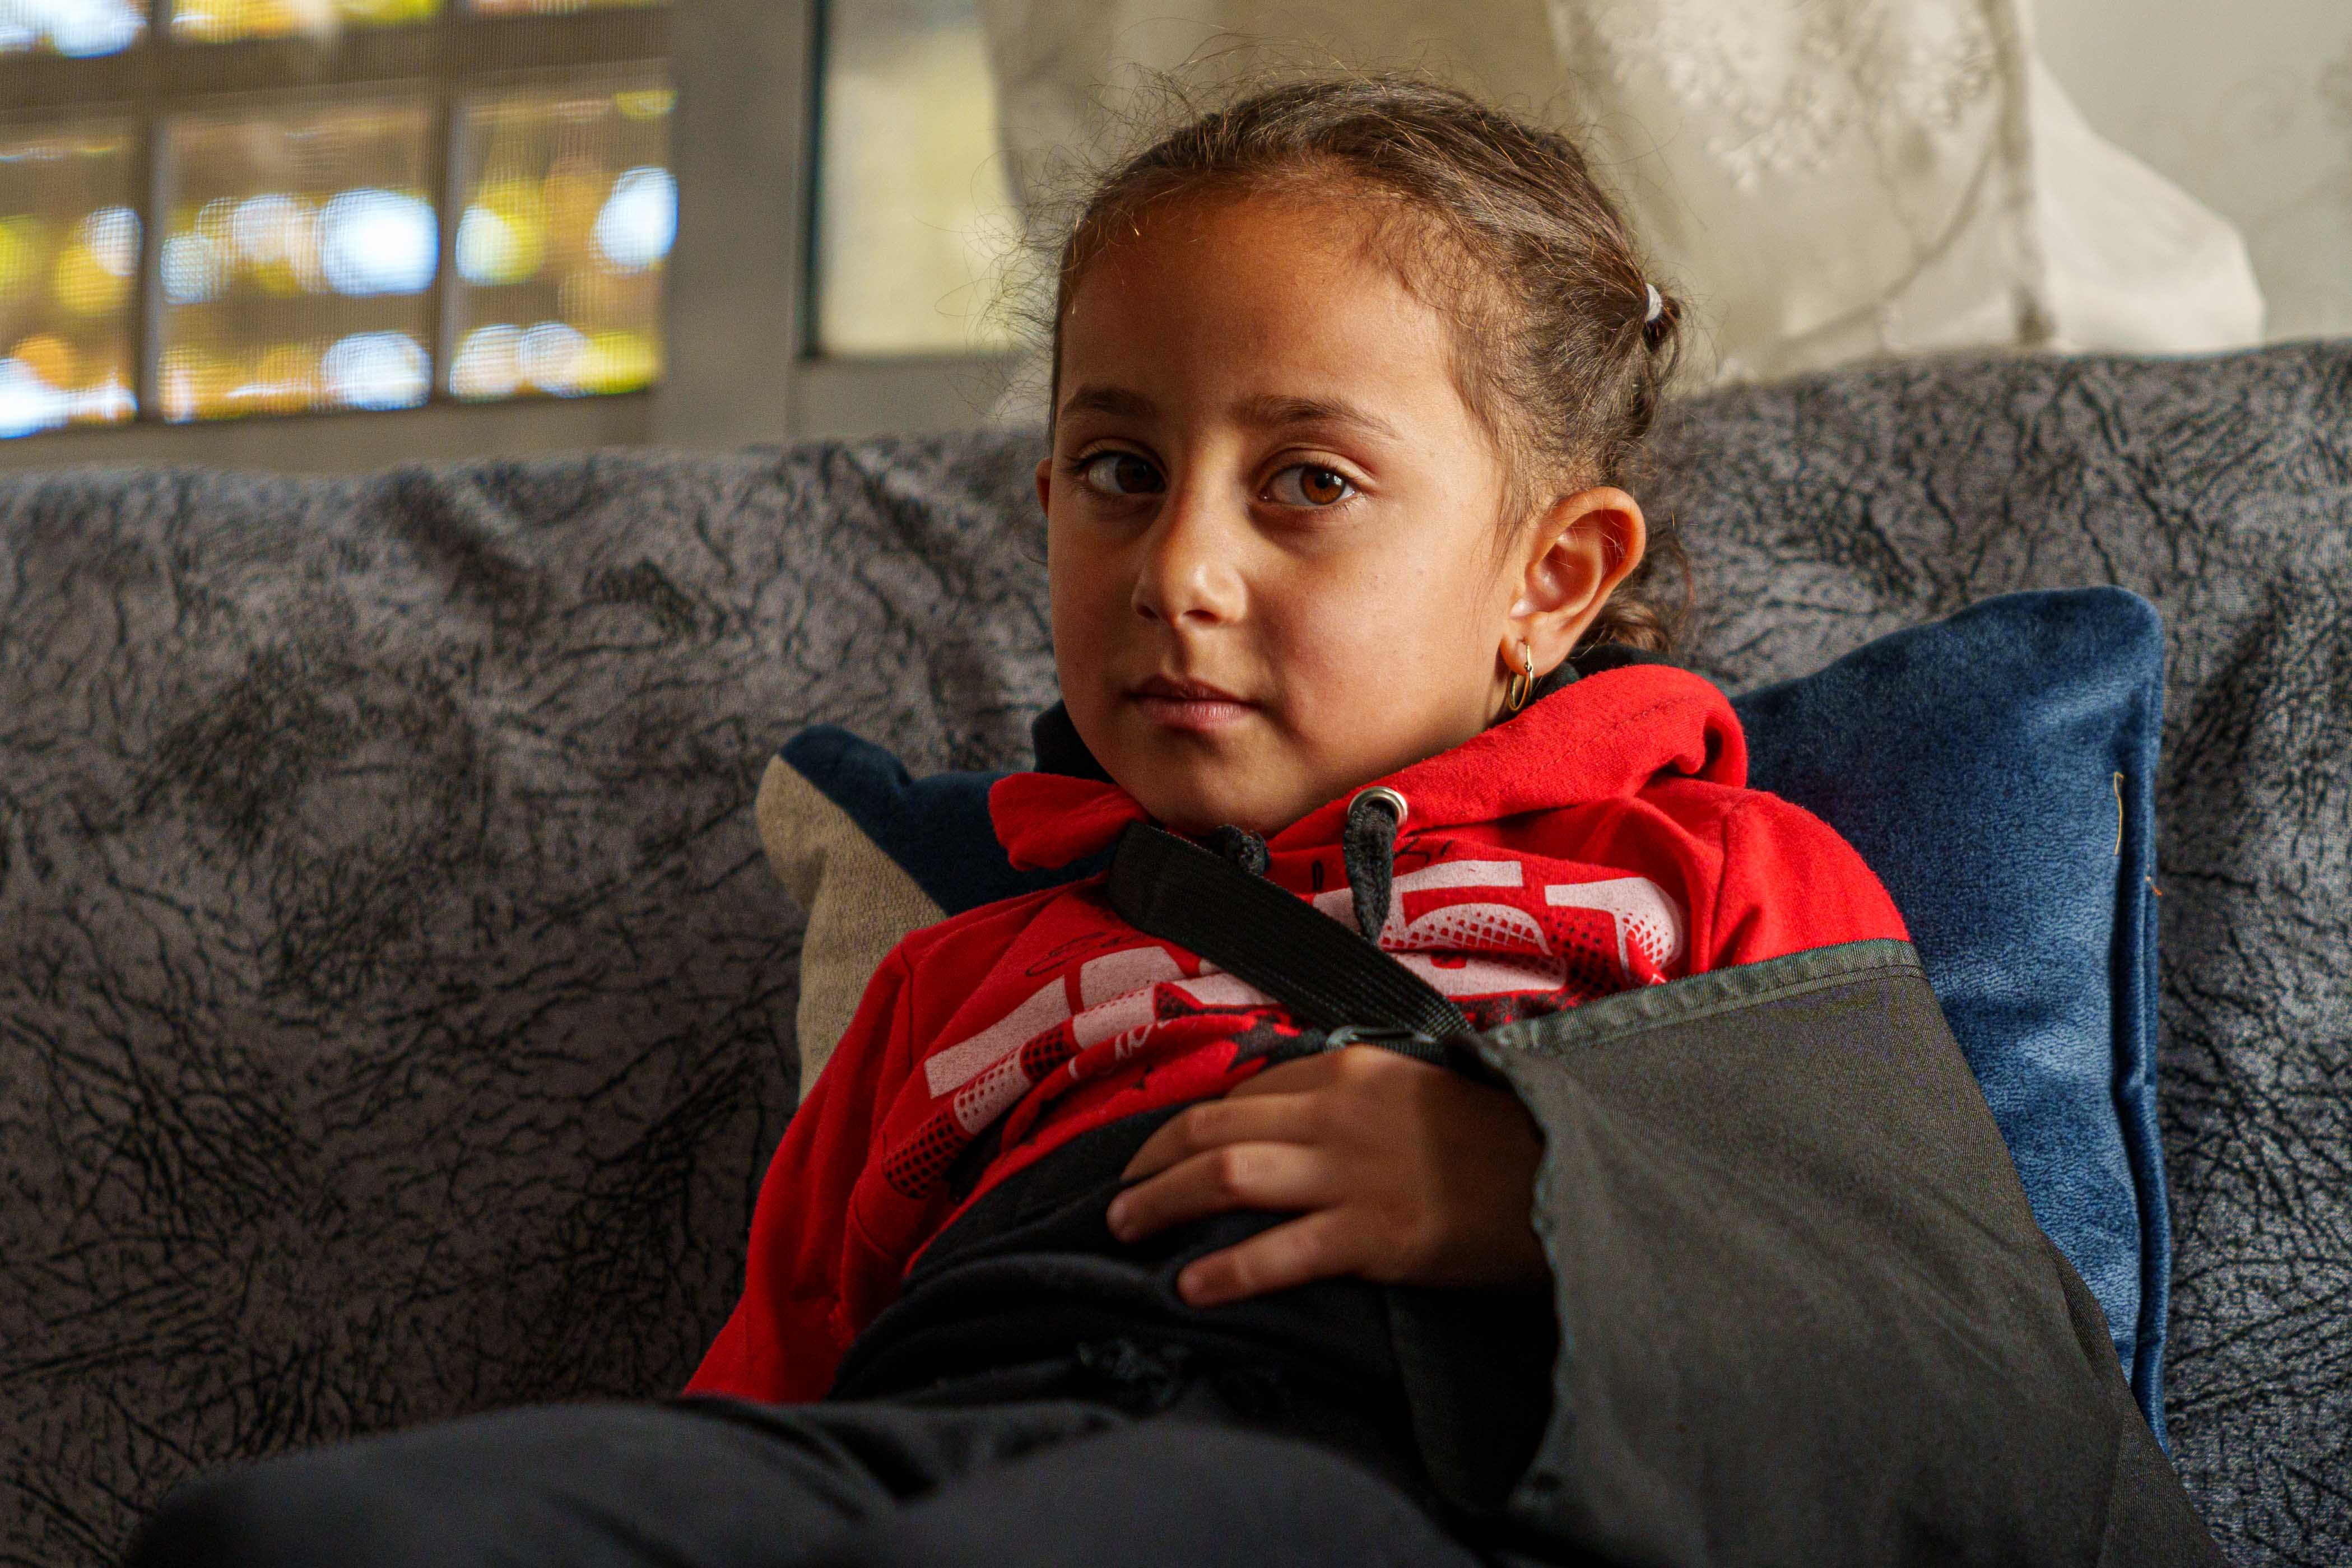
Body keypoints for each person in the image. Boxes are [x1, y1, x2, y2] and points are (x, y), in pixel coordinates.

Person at [128, 74, 2080, 1568]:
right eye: (1120, 469)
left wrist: (1537, 1197)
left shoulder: (1703, 877)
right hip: (938, 1418)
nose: (1180, 570)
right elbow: (768, 1390)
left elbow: (1942, 1349)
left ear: (1549, 580)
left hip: (1371, 1454)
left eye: (1308, 479)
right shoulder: (952, 980)